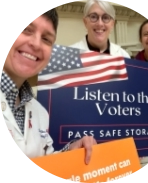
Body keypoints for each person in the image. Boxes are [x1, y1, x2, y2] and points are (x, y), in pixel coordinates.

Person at [0, 8, 97, 164]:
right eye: (26, 30)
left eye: (46, 39)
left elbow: (45, 164)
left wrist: (71, 151)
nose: (36, 44)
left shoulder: (40, 112)